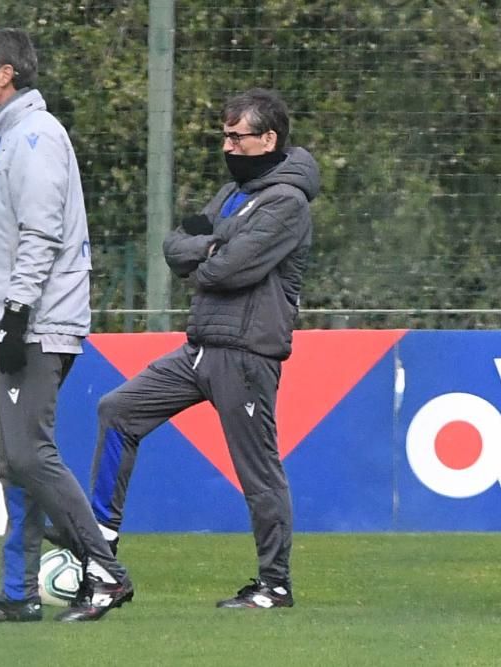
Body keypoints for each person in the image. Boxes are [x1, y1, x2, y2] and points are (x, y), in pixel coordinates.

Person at [87, 88, 320, 608]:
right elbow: (176, 246)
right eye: (225, 135)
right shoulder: (230, 193)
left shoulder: (286, 202)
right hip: (199, 347)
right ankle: (100, 551)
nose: (228, 145)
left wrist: (211, 250)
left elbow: (225, 269)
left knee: (257, 470)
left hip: (246, 355)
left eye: (237, 136)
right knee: (118, 410)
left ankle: (274, 585)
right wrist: (213, 245)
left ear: (268, 138)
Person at [0, 27, 133, 622]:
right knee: (17, 462)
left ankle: (104, 569)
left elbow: (41, 234)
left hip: (33, 324)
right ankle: (18, 593)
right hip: (25, 321)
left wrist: (14, 314)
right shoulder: (17, 138)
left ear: (6, 75)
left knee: (30, 456)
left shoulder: (35, 136)